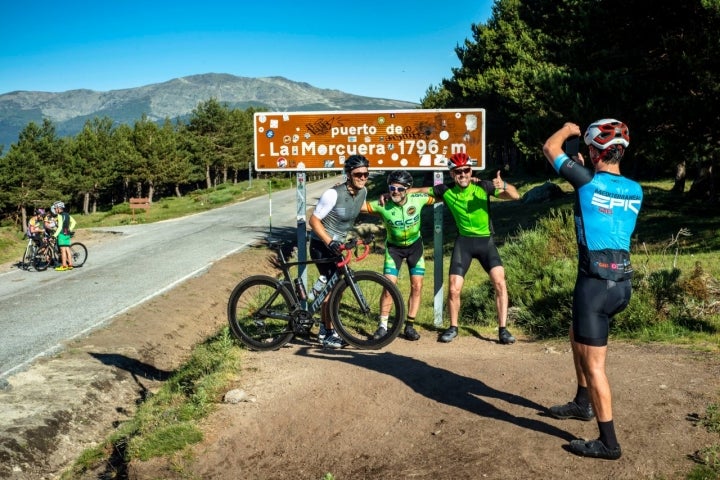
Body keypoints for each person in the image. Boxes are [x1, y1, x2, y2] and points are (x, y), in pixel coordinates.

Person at [542, 119, 642, 460]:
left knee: (596, 365)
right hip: (622, 284)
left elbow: (549, 149)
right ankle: (582, 402)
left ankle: (608, 442)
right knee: (576, 333)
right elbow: (606, 199)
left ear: (593, 151)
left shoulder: (585, 181)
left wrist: (568, 130)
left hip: (594, 286)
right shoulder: (636, 189)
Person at [407, 152, 520, 344]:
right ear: (451, 174)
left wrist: (505, 185)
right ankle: (453, 327)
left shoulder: (483, 186)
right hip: (464, 243)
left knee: (500, 282)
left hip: (486, 242)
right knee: (453, 288)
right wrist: (392, 193)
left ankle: (503, 330)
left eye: (466, 170)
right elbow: (418, 191)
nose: (463, 175)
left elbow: (515, 196)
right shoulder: (446, 190)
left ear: (471, 171)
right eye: (458, 171)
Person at [361, 170, 435, 341]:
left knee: (417, 286)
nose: (395, 191)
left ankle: (409, 325)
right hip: (393, 249)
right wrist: (343, 192)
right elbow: (359, 206)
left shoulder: (418, 200)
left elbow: (441, 194)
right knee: (388, 287)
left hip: (415, 247)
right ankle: (382, 326)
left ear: (407, 190)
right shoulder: (383, 205)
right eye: (392, 188)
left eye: (400, 189)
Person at [308, 155, 369, 348]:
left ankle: (324, 330)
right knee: (333, 290)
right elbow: (314, 220)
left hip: (337, 246)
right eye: (358, 174)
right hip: (321, 245)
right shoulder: (333, 194)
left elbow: (361, 207)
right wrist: (329, 241)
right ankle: (328, 334)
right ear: (348, 175)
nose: (362, 177)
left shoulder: (363, 192)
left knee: (333, 288)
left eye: (366, 174)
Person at [52, 201, 77, 271]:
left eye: (55, 208)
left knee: (63, 250)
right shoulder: (67, 214)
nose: (54, 210)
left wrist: (54, 235)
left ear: (58, 208)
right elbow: (74, 222)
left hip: (62, 234)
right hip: (67, 233)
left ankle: (64, 266)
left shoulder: (59, 216)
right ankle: (70, 265)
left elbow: (60, 227)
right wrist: (69, 229)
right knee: (67, 249)